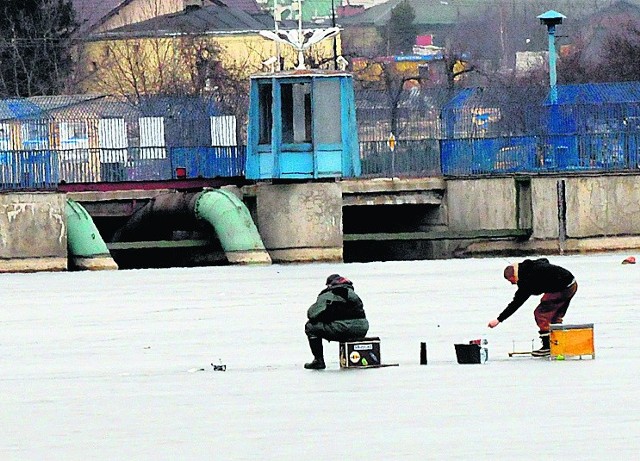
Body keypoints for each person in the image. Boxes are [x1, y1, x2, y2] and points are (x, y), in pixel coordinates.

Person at [488, 258, 578, 357]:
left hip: (562, 288)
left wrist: (499, 319)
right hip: (571, 283)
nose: (512, 283)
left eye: (511, 280)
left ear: (514, 275)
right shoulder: (528, 266)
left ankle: (547, 346)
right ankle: (558, 342)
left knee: (540, 314)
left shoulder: (527, 281)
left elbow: (516, 303)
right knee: (555, 316)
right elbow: (544, 260)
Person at [304, 274, 369, 370]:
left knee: (310, 327)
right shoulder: (352, 293)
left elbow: (312, 314)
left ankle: (318, 361)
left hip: (343, 329)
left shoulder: (329, 294)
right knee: (342, 324)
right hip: (361, 329)